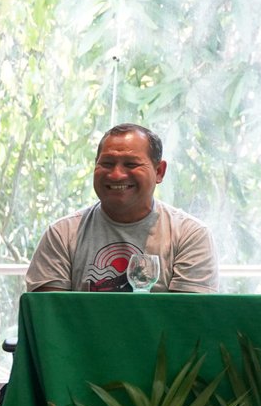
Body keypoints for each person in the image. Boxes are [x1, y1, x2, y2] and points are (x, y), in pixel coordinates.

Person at [25, 123, 218, 293]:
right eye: (107, 164)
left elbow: (187, 317)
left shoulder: (189, 235)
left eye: (131, 164)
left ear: (159, 171)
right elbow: (49, 315)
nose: (116, 175)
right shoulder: (62, 235)